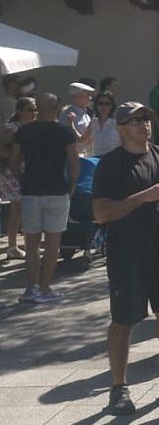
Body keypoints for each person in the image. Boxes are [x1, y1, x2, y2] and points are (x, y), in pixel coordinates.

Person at [91, 102, 159, 414]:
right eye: (135, 120)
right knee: (124, 321)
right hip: (128, 253)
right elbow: (100, 213)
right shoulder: (110, 165)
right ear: (121, 128)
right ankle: (118, 388)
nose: (143, 124)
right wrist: (145, 196)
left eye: (146, 118)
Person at [10, 93, 79, 303]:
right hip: (57, 190)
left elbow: (13, 160)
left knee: (31, 243)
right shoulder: (64, 131)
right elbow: (74, 162)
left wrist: (22, 179)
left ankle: (30, 289)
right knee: (52, 243)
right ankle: (45, 287)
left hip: (31, 191)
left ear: (37, 108)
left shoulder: (24, 131)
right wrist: (72, 185)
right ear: (57, 107)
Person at [1, 96, 37, 260]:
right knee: (17, 210)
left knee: (24, 209)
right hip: (13, 173)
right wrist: (19, 156)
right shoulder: (12, 129)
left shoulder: (33, 127)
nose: (34, 112)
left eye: (35, 109)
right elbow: (2, 151)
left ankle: (21, 243)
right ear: (19, 111)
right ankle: (12, 246)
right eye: (30, 109)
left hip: (29, 171)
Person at [61, 81, 96, 157]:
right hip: (73, 157)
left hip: (87, 155)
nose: (90, 98)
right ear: (77, 97)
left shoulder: (86, 115)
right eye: (87, 95)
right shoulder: (67, 115)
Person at [92, 91, 122, 156]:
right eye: (100, 103)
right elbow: (81, 140)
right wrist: (71, 124)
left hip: (114, 160)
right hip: (98, 160)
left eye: (107, 104)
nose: (104, 106)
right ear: (96, 105)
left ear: (112, 106)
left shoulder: (117, 123)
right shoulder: (93, 122)